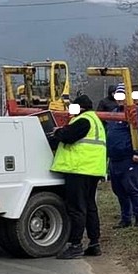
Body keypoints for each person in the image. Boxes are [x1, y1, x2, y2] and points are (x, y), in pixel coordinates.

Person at [49, 95, 107, 259]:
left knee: (76, 208)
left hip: (78, 169)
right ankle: (94, 244)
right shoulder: (96, 120)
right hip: (92, 170)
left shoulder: (83, 120)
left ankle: (75, 245)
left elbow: (67, 136)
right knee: (89, 207)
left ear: (79, 108)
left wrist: (58, 132)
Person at [108, 87, 138, 228]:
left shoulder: (136, 111)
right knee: (118, 189)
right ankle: (125, 218)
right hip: (115, 158)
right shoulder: (114, 113)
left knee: (132, 188)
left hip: (129, 157)